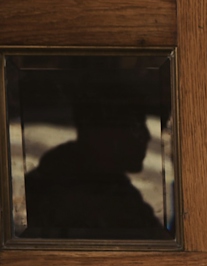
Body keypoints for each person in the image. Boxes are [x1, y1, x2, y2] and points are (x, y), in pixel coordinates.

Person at [21, 94, 167, 240]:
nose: (147, 136)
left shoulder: (120, 191)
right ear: (102, 134)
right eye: (135, 126)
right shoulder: (58, 197)